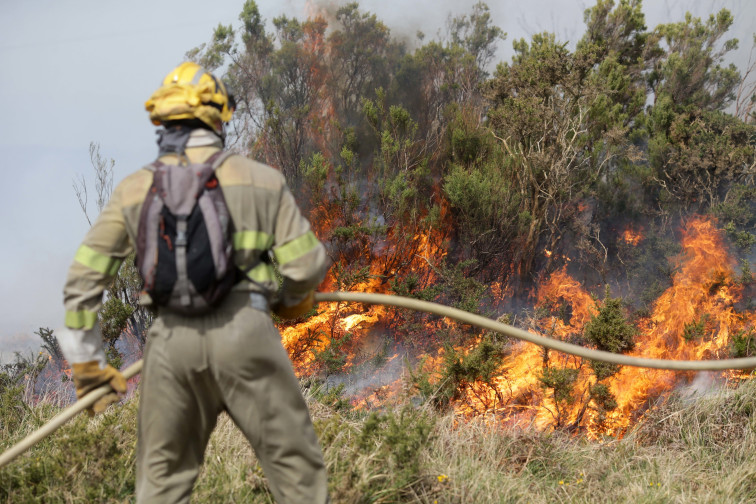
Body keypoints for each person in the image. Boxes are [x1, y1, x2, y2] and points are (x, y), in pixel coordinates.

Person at [56, 62, 330, 503]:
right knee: (295, 471)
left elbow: (82, 280)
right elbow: (305, 267)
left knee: (162, 485)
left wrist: (89, 367)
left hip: (170, 346)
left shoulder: (133, 190)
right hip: (247, 334)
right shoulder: (261, 179)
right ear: (219, 117)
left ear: (162, 120)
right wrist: (292, 303)